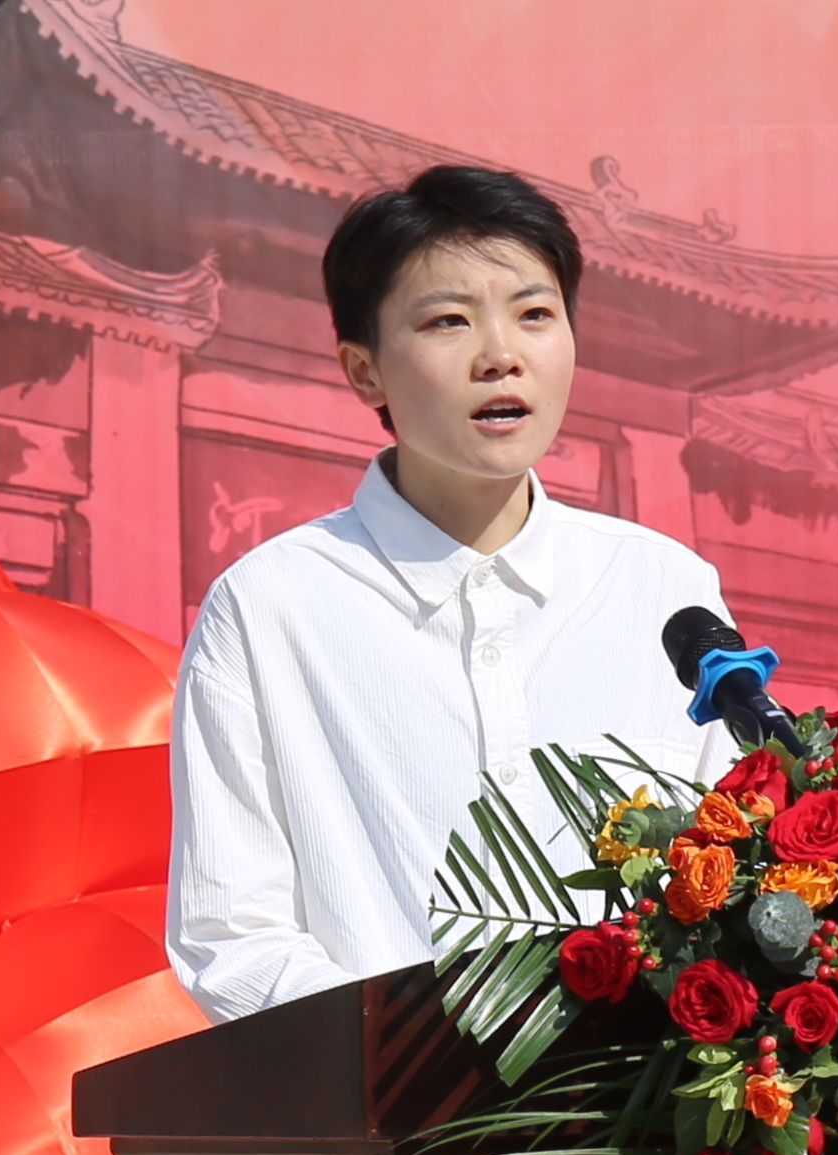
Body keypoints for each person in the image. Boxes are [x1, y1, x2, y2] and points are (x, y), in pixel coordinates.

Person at [165, 164, 736, 1024]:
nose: (501, 354)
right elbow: (231, 934)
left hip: (640, 1104)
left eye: (535, 314)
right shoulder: (269, 608)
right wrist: (418, 1050)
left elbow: (735, 860)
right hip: (393, 1103)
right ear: (365, 372)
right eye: (449, 321)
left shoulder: (664, 588)